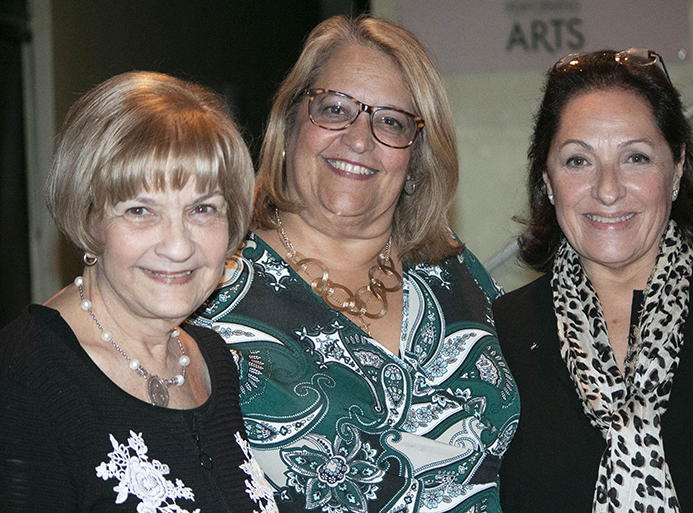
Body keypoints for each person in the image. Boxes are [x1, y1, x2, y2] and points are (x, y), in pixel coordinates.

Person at [191, 15, 520, 513]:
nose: (360, 138)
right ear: (288, 124)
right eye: (335, 108)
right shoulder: (210, 286)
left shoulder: (454, 267)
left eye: (391, 121)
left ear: (415, 156)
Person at [493, 49, 693, 512]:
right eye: (578, 161)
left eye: (636, 158)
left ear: (677, 169)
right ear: (546, 178)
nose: (607, 189)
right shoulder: (504, 332)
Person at [0, 71, 277, 513]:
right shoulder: (23, 383)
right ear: (89, 218)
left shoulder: (211, 361)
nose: (178, 245)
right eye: (140, 210)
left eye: (203, 208)